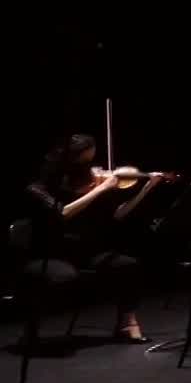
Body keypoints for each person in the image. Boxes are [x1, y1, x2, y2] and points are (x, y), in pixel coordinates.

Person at [22, 134, 167, 341]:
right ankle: (31, 328)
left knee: (128, 265)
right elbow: (62, 213)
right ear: (69, 162)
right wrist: (101, 188)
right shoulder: (39, 187)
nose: (92, 168)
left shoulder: (92, 185)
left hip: (86, 251)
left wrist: (146, 188)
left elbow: (118, 214)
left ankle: (127, 324)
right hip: (52, 251)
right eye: (85, 162)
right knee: (65, 278)